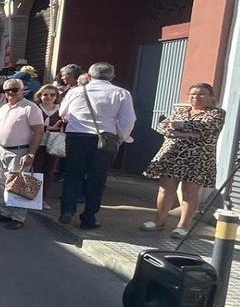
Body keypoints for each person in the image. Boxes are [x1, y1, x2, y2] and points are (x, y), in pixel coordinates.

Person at [58, 62, 137, 229]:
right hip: (105, 138)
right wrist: (121, 137)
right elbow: (129, 120)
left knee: (73, 175)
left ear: (89, 76)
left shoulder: (76, 91)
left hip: (76, 136)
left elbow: (62, 113)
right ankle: (88, 218)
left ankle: (67, 211)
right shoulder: (121, 93)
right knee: (97, 178)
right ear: (112, 76)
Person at [141, 83, 226, 238]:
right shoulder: (180, 111)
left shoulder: (217, 113)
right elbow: (163, 126)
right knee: (165, 189)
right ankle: (159, 221)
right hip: (171, 155)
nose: (196, 97)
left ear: (211, 97)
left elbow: (205, 127)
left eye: (201, 94)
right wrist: (187, 134)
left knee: (190, 192)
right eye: (192, 94)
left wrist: (179, 127)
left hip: (197, 158)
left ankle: (183, 225)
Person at [0, 79, 45, 230]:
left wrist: (31, 154)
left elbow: (39, 131)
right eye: (7, 90)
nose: (10, 93)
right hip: (1, 149)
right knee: (2, 183)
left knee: (18, 184)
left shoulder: (30, 108)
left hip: (20, 151)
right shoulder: (4, 107)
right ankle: (5, 213)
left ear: (21, 90)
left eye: (14, 90)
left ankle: (18, 217)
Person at [32, 84, 63, 202]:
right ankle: (33, 197)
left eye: (52, 95)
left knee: (49, 171)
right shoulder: (35, 108)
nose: (48, 97)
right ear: (40, 95)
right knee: (37, 170)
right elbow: (32, 126)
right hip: (38, 143)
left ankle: (42, 199)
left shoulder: (61, 109)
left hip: (55, 144)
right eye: (45, 94)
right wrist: (49, 128)